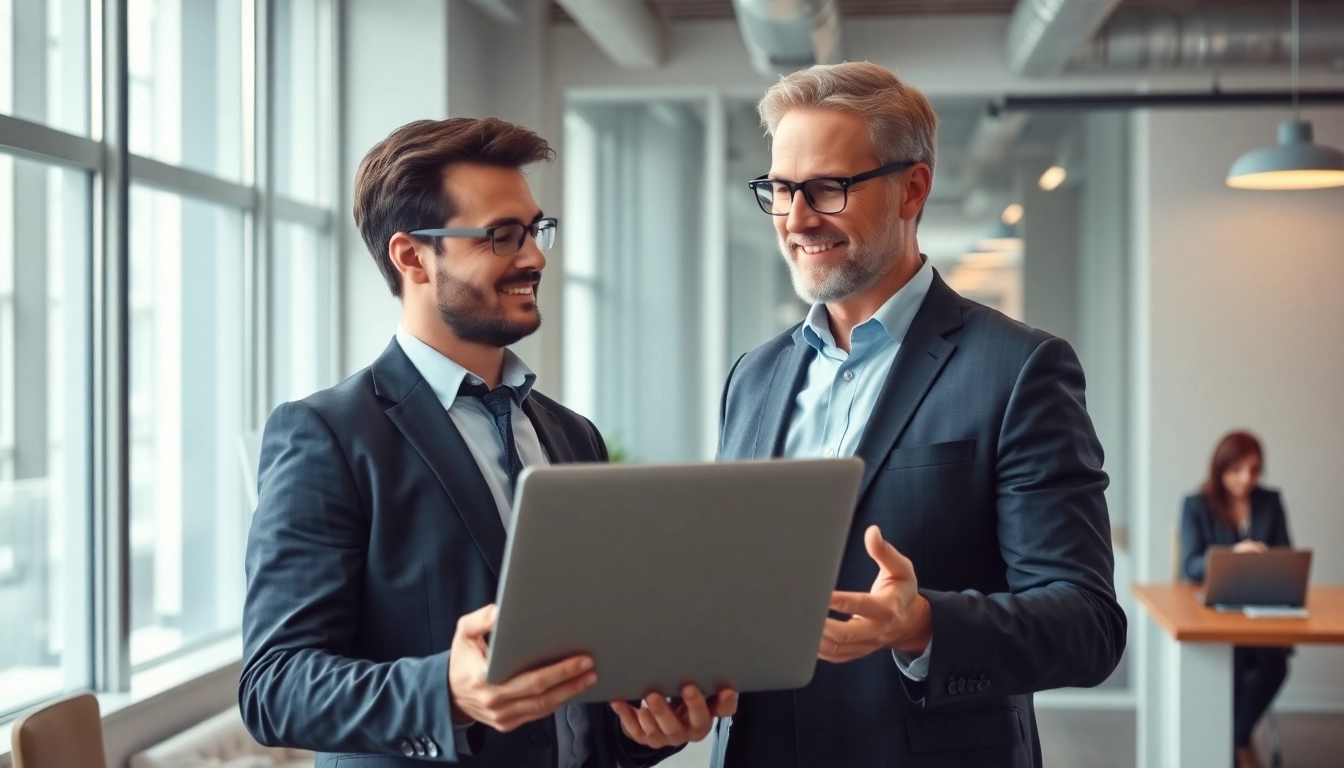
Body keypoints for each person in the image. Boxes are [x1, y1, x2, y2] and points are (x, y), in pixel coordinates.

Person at [240, 117, 735, 768]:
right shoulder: (329, 435)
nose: (534, 257)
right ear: (412, 256)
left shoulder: (571, 435)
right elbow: (275, 687)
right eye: (502, 236)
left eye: (535, 231)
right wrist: (448, 690)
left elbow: (586, 688)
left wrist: (648, 726)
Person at [713, 62, 1127, 768]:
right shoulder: (754, 375)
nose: (798, 219)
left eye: (829, 188)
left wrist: (923, 624)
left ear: (913, 189)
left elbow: (1087, 623)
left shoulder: (1018, 368)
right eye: (781, 191)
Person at [1181, 430, 1291, 768]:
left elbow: (1286, 555)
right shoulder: (1196, 505)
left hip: (1262, 608)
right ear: (1221, 469)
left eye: (1254, 470)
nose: (1247, 478)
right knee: (1234, 662)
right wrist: (1233, 555)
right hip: (1216, 613)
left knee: (1275, 663)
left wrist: (1266, 560)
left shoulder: (1269, 501)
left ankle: (1236, 738)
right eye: (1238, 470)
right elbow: (1191, 565)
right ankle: (1238, 746)